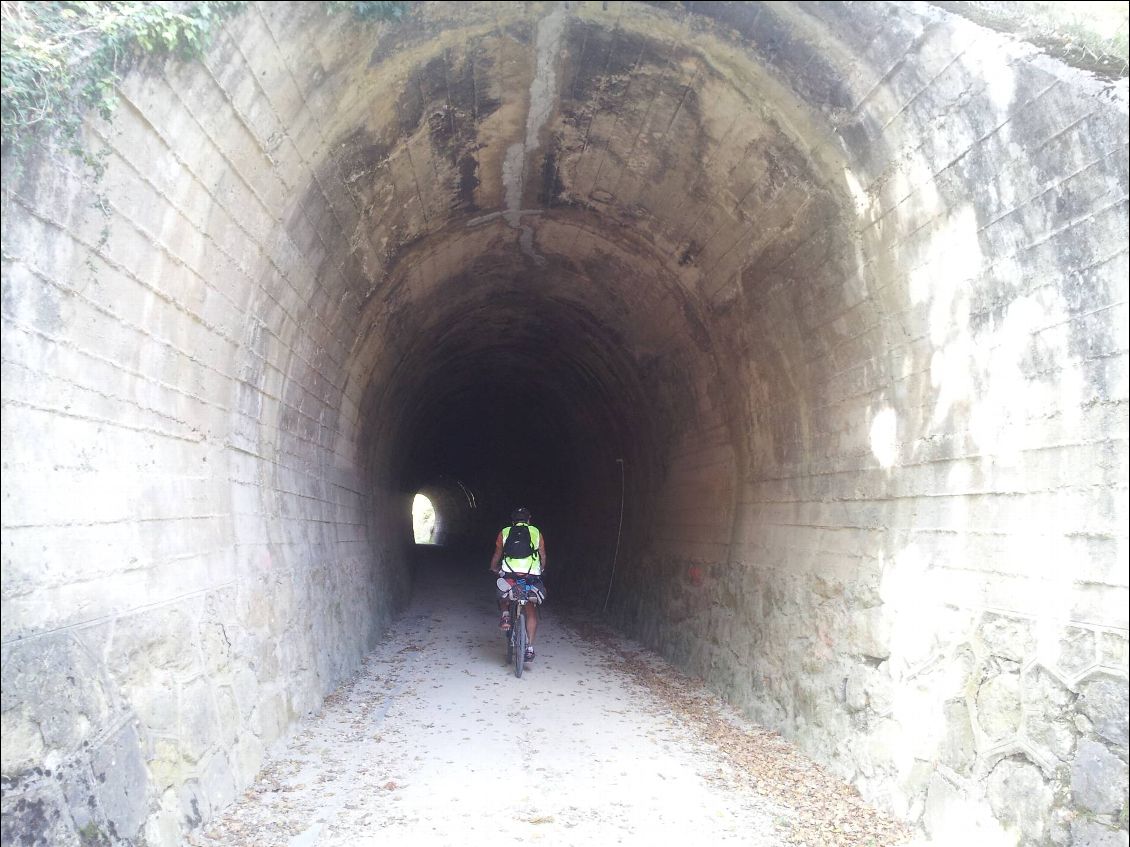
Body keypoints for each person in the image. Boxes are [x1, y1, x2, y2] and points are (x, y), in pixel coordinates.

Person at [489, 507, 547, 662]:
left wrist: (494, 567)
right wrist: (541, 568)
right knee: (530, 609)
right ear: (529, 519)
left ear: (513, 521)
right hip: (530, 576)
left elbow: (497, 554)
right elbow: (542, 554)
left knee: (504, 591)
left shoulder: (505, 532)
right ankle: (529, 648)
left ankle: (506, 616)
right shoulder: (536, 532)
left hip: (510, 573)